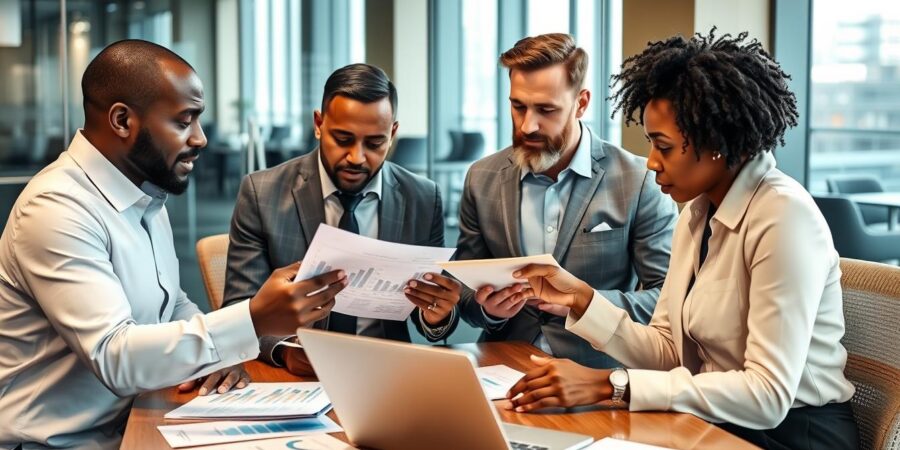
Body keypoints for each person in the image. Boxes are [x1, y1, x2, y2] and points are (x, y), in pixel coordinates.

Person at [507, 29, 859, 450]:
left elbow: (767, 395)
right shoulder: (696, 213)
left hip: (794, 435)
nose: (652, 162)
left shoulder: (784, 218)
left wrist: (610, 385)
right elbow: (668, 349)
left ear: (715, 143)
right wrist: (584, 300)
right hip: (715, 421)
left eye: (664, 146)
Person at [0, 40, 348, 450]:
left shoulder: (144, 194)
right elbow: (116, 356)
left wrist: (219, 358)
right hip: (61, 443)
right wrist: (253, 319)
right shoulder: (56, 208)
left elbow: (172, 304)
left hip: (134, 420)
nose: (199, 138)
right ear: (122, 120)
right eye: (185, 121)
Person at [455, 33, 678, 368]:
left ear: (582, 103)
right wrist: (488, 309)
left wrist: (583, 304)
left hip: (597, 376)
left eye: (546, 109)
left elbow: (667, 299)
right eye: (518, 106)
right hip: (502, 371)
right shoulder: (481, 177)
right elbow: (463, 291)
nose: (528, 125)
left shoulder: (639, 180)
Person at [223, 64, 460, 376]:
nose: (356, 157)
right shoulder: (262, 192)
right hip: (297, 375)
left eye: (375, 143)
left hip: (387, 371)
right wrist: (284, 351)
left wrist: (436, 315)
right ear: (319, 124)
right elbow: (239, 308)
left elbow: (428, 316)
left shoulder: (423, 197)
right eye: (343, 138)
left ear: (393, 133)